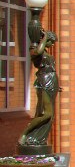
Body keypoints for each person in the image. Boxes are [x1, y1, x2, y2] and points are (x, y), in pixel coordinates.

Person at [19, 16, 59, 150]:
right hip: (44, 82)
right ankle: (25, 133)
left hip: (51, 82)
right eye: (51, 42)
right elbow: (38, 51)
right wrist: (45, 37)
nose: (52, 45)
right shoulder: (35, 48)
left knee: (49, 115)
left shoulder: (46, 52)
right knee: (46, 113)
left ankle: (37, 137)